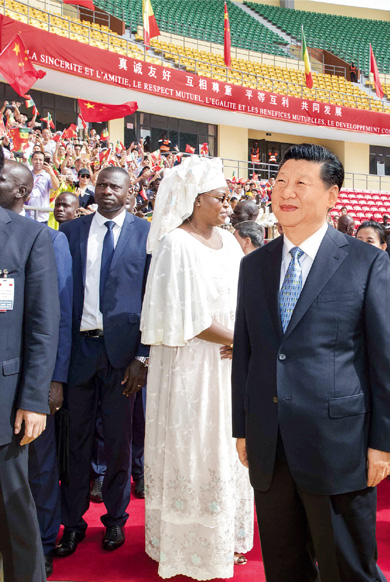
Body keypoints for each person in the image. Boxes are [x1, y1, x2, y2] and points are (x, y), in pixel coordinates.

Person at [232, 144, 390, 582]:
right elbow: (247, 353)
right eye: (280, 181)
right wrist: (242, 427)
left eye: (300, 184)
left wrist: (383, 443)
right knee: (284, 567)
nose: (285, 192)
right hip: (270, 446)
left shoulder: (366, 261)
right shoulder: (254, 266)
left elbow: (387, 361)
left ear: (332, 196)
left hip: (338, 447)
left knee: (347, 568)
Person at [140, 156, 254, 579]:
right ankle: (186, 545)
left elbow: (244, 301)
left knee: (228, 447)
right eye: (220, 198)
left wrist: (242, 340)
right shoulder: (175, 244)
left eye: (227, 197)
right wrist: (240, 340)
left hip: (227, 365)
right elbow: (185, 319)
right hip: (191, 367)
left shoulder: (228, 242)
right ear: (195, 199)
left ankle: (224, 537)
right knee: (195, 447)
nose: (228, 204)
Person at [56, 166, 150, 556]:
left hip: (123, 356)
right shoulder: (71, 232)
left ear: (130, 193)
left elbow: (151, 298)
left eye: (116, 186)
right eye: (102, 185)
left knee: (118, 442)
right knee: (74, 442)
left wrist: (142, 355)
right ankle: (73, 523)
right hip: (80, 351)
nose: (107, 191)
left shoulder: (146, 235)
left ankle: (115, 521)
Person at [0, 159, 65, 579]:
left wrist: (34, 400)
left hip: (5, 404)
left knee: (13, 511)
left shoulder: (31, 237)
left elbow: (43, 326)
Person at [28, 151, 59, 223]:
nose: (38, 162)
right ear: (31, 160)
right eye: (35, 159)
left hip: (41, 216)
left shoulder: (48, 176)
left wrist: (51, 173)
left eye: (40, 160)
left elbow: (56, 186)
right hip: (27, 214)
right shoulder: (27, 174)